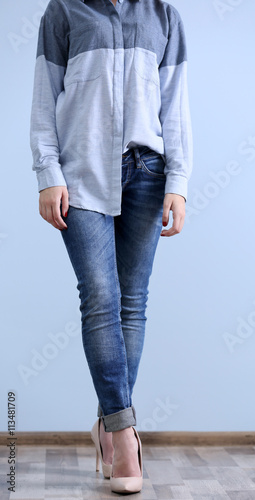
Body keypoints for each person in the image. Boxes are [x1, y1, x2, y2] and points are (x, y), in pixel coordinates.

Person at [30, 0, 193, 494]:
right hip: (80, 177)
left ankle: (108, 421)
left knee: (131, 303)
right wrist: (47, 174)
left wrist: (179, 181)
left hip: (148, 173)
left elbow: (175, 102)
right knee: (100, 296)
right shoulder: (63, 12)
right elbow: (44, 99)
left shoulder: (164, 16)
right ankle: (125, 437)